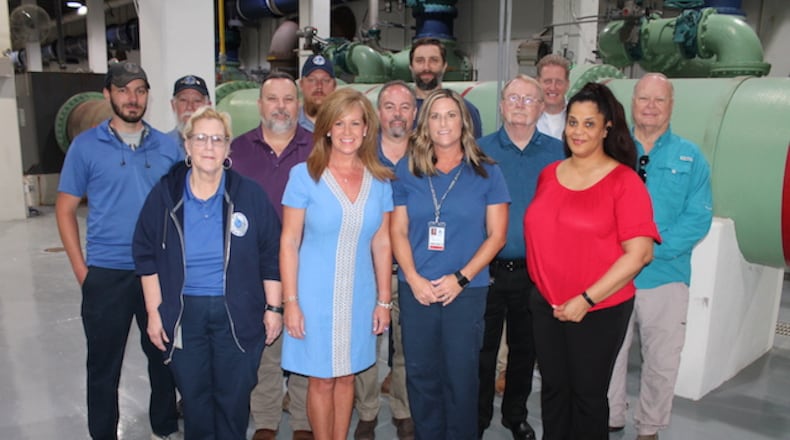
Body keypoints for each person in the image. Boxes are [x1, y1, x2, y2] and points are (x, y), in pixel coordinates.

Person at [132, 106, 283, 439]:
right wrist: (154, 312)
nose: (209, 147)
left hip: (238, 311)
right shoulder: (165, 194)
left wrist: (273, 309)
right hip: (185, 312)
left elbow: (271, 254)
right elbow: (145, 255)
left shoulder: (249, 195)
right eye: (200, 138)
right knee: (196, 400)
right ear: (187, 145)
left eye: (218, 139)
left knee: (233, 399)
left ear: (228, 148)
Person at [523, 82, 660, 439]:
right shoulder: (549, 175)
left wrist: (585, 300)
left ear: (606, 128)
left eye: (588, 123)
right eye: (572, 122)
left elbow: (640, 253)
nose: (578, 132)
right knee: (553, 392)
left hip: (598, 310)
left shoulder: (624, 182)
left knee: (586, 397)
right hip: (547, 305)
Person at [55, 61, 181, 440]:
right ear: (108, 94)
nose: (133, 98)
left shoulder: (166, 147)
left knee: (163, 359)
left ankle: (164, 427)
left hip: (156, 274)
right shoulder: (86, 147)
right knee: (103, 365)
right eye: (124, 90)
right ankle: (104, 434)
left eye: (140, 90)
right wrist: (83, 271)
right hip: (106, 273)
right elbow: (64, 210)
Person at [391, 88, 509, 439]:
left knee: (460, 377)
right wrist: (412, 278)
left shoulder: (487, 172)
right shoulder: (407, 168)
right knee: (421, 375)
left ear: (464, 122)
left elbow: (497, 236)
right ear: (425, 124)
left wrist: (460, 278)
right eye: (435, 116)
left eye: (451, 115)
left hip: (466, 292)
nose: (444, 123)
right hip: (418, 291)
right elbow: (398, 230)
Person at [280, 88, 395, 440]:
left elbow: (382, 241)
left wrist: (383, 301)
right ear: (327, 128)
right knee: (322, 378)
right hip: (313, 298)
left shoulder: (380, 179)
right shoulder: (304, 175)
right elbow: (289, 241)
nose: (347, 131)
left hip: (359, 296)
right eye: (339, 123)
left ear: (366, 129)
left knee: (347, 376)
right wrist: (291, 302)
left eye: (355, 123)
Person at [607, 73, 713, 440]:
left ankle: (650, 427)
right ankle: (611, 416)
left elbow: (698, 215)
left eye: (659, 100)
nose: (650, 107)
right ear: (632, 102)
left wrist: (651, 249)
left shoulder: (690, 156)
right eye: (644, 99)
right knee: (610, 353)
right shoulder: (611, 151)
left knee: (662, 360)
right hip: (613, 274)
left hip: (665, 274)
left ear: (671, 106)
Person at [477, 74, 563, 440]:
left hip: (535, 273)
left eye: (530, 99)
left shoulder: (559, 153)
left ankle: (515, 415)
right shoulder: (479, 151)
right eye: (513, 98)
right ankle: (478, 416)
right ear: (501, 105)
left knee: (525, 352)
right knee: (482, 349)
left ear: (542, 108)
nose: (520, 105)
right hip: (486, 270)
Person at [230, 71, 315, 440]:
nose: (281, 107)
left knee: (303, 340)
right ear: (260, 104)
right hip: (252, 270)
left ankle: (302, 422)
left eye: (288, 99)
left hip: (309, 265)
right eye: (273, 99)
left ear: (298, 104)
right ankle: (264, 420)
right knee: (263, 344)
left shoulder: (318, 149)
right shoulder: (235, 151)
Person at [353, 80, 417, 440]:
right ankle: (366, 412)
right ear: (378, 114)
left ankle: (403, 411)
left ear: (415, 113)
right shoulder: (359, 154)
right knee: (367, 346)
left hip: (411, 271)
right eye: (389, 106)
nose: (397, 114)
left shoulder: (427, 157)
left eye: (405, 107)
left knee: (407, 348)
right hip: (366, 269)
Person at [409, 37, 483, 138]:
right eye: (419, 61)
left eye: (434, 60)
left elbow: (474, 151)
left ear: (444, 66)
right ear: (411, 67)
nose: (426, 67)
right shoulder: (399, 111)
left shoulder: (465, 110)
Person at [167, 75, 211, 149]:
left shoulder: (218, 146)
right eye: (183, 100)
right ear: (173, 105)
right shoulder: (161, 145)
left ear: (208, 106)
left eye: (197, 101)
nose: (190, 107)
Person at [536, 54, 571, 141]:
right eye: (547, 81)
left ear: (567, 84)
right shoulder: (526, 116)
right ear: (537, 82)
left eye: (559, 82)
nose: (553, 87)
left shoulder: (578, 115)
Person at [299, 54, 337, 132]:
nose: (319, 86)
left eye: (325, 80)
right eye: (312, 80)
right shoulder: (289, 124)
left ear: (334, 86)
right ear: (301, 84)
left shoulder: (344, 126)